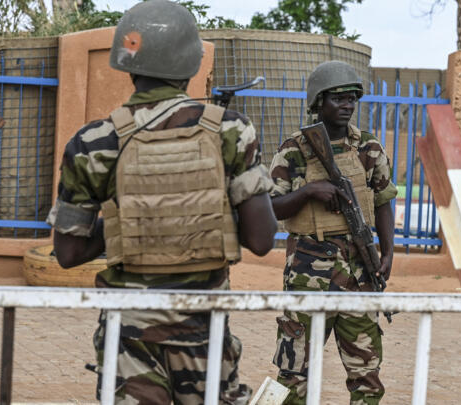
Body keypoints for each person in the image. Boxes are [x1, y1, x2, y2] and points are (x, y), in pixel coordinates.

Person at [46, 1, 277, 403]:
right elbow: (261, 239)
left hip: (128, 338)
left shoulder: (92, 142)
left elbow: (67, 251)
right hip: (204, 334)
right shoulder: (230, 130)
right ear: (192, 64)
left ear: (127, 62)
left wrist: (131, 221)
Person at [269, 60, 397, 405]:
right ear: (318, 102)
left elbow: (384, 200)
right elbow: (270, 207)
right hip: (308, 273)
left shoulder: (368, 148)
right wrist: (309, 192)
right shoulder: (294, 149)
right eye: (338, 99)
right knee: (293, 373)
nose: (347, 106)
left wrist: (387, 253)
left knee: (367, 377)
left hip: (359, 273)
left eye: (352, 99)